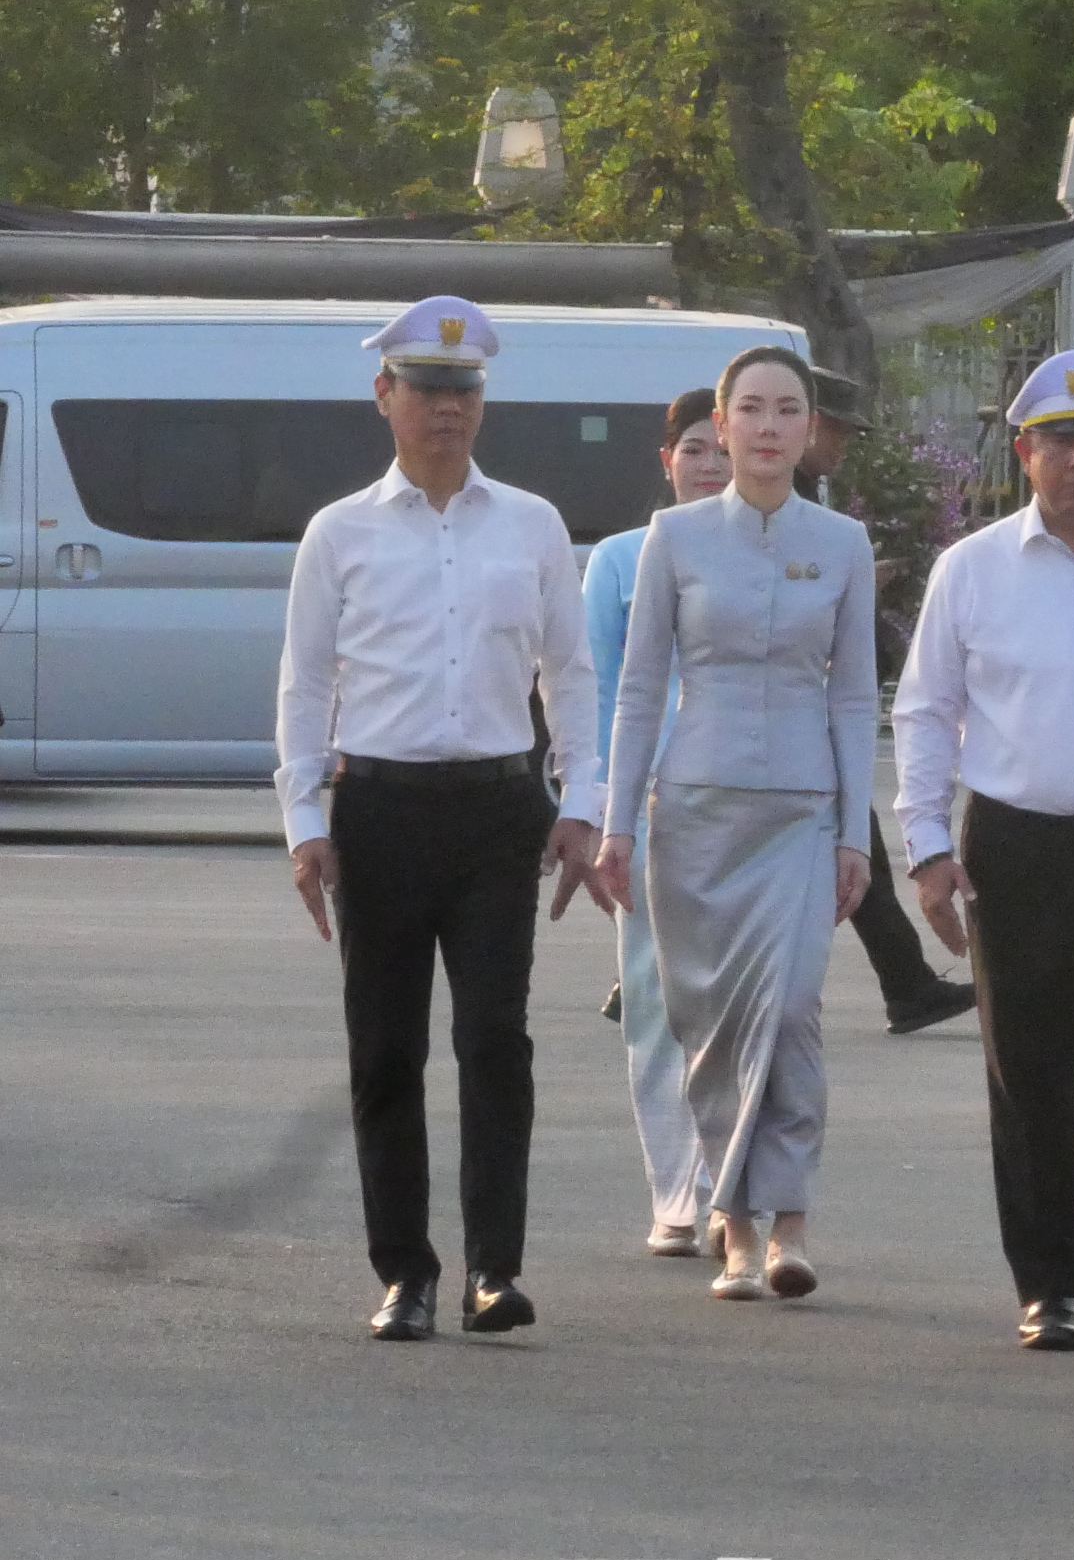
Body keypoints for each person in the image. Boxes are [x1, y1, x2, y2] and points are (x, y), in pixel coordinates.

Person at [276, 297, 605, 1341]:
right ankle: (404, 1270)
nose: (447, 408)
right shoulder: (340, 531)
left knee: (494, 1039)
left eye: (464, 390)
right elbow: (303, 679)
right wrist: (301, 817)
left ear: (483, 403)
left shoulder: (533, 523)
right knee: (385, 1047)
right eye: (426, 389)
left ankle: (492, 1269)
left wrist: (581, 800)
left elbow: (573, 672)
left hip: (498, 809)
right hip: (377, 806)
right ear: (386, 398)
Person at [896, 350, 1074, 1354]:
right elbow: (925, 709)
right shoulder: (971, 568)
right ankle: (1051, 1284)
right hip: (1017, 847)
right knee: (1029, 1077)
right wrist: (928, 845)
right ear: (1022, 452)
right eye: (1058, 441)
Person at [592, 344, 880, 1306]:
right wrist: (616, 822)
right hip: (695, 810)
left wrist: (854, 833)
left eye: (786, 410)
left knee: (793, 1009)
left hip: (800, 811)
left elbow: (852, 697)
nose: (765, 428)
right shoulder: (673, 539)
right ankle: (735, 1228)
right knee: (706, 1022)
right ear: (718, 427)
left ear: (811, 433)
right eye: (749, 409)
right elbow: (638, 691)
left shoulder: (842, 544)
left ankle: (790, 1219)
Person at [583, 387, 728, 1256]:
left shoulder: (775, 551)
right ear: (666, 458)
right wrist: (605, 809)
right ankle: (676, 1192)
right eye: (697, 449)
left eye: (724, 448)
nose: (711, 465)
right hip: (646, 805)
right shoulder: (617, 561)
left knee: (737, 1006)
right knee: (653, 1004)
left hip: (745, 804)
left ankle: (730, 1188)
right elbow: (602, 691)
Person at [800, 364, 979, 1036]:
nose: (844, 444)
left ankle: (907, 983)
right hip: (784, 724)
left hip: (822, 712)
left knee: (860, 845)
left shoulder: (811, 497)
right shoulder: (776, 502)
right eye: (839, 429)